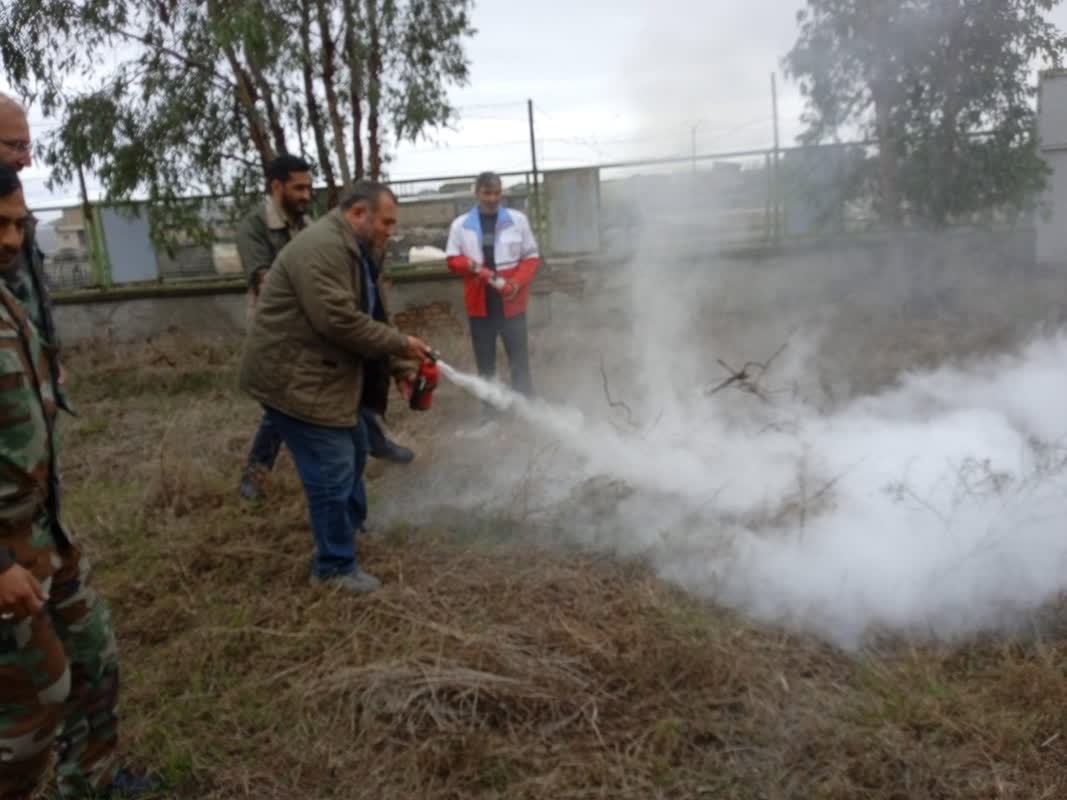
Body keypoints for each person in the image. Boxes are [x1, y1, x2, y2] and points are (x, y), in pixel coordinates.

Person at [0, 165, 156, 799]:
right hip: (7, 556)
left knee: (95, 659)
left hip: (46, 534)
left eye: (19, 223)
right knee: (32, 712)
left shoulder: (8, 297)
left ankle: (91, 782)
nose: (12, 240)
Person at [239, 180, 432, 594]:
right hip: (296, 380)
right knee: (332, 468)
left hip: (325, 376)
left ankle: (353, 531)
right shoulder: (323, 249)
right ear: (358, 213)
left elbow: (374, 312)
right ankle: (333, 567)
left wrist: (399, 364)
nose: (390, 230)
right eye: (386, 221)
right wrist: (401, 345)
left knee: (356, 449)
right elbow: (339, 321)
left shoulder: (359, 252)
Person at [236, 157, 412, 502]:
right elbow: (264, 279)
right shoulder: (255, 227)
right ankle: (256, 473)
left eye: (308, 186)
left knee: (338, 395)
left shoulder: (312, 225)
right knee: (284, 407)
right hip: (283, 332)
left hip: (322, 330)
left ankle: (372, 440)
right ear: (276, 187)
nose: (306, 194)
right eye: (298, 187)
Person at [446, 171, 540, 423]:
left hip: (511, 303)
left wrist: (516, 282)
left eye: (497, 192)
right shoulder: (460, 225)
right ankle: (490, 412)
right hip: (481, 305)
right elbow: (452, 260)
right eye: (487, 193)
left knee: (518, 357)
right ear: (476, 193)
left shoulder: (517, 221)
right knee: (485, 361)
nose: (492, 198)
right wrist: (471, 265)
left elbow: (531, 257)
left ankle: (525, 407)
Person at [0, 94, 69, 413]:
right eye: (15, 146)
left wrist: (47, 358)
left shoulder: (17, 210)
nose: (26, 159)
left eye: (27, 147)